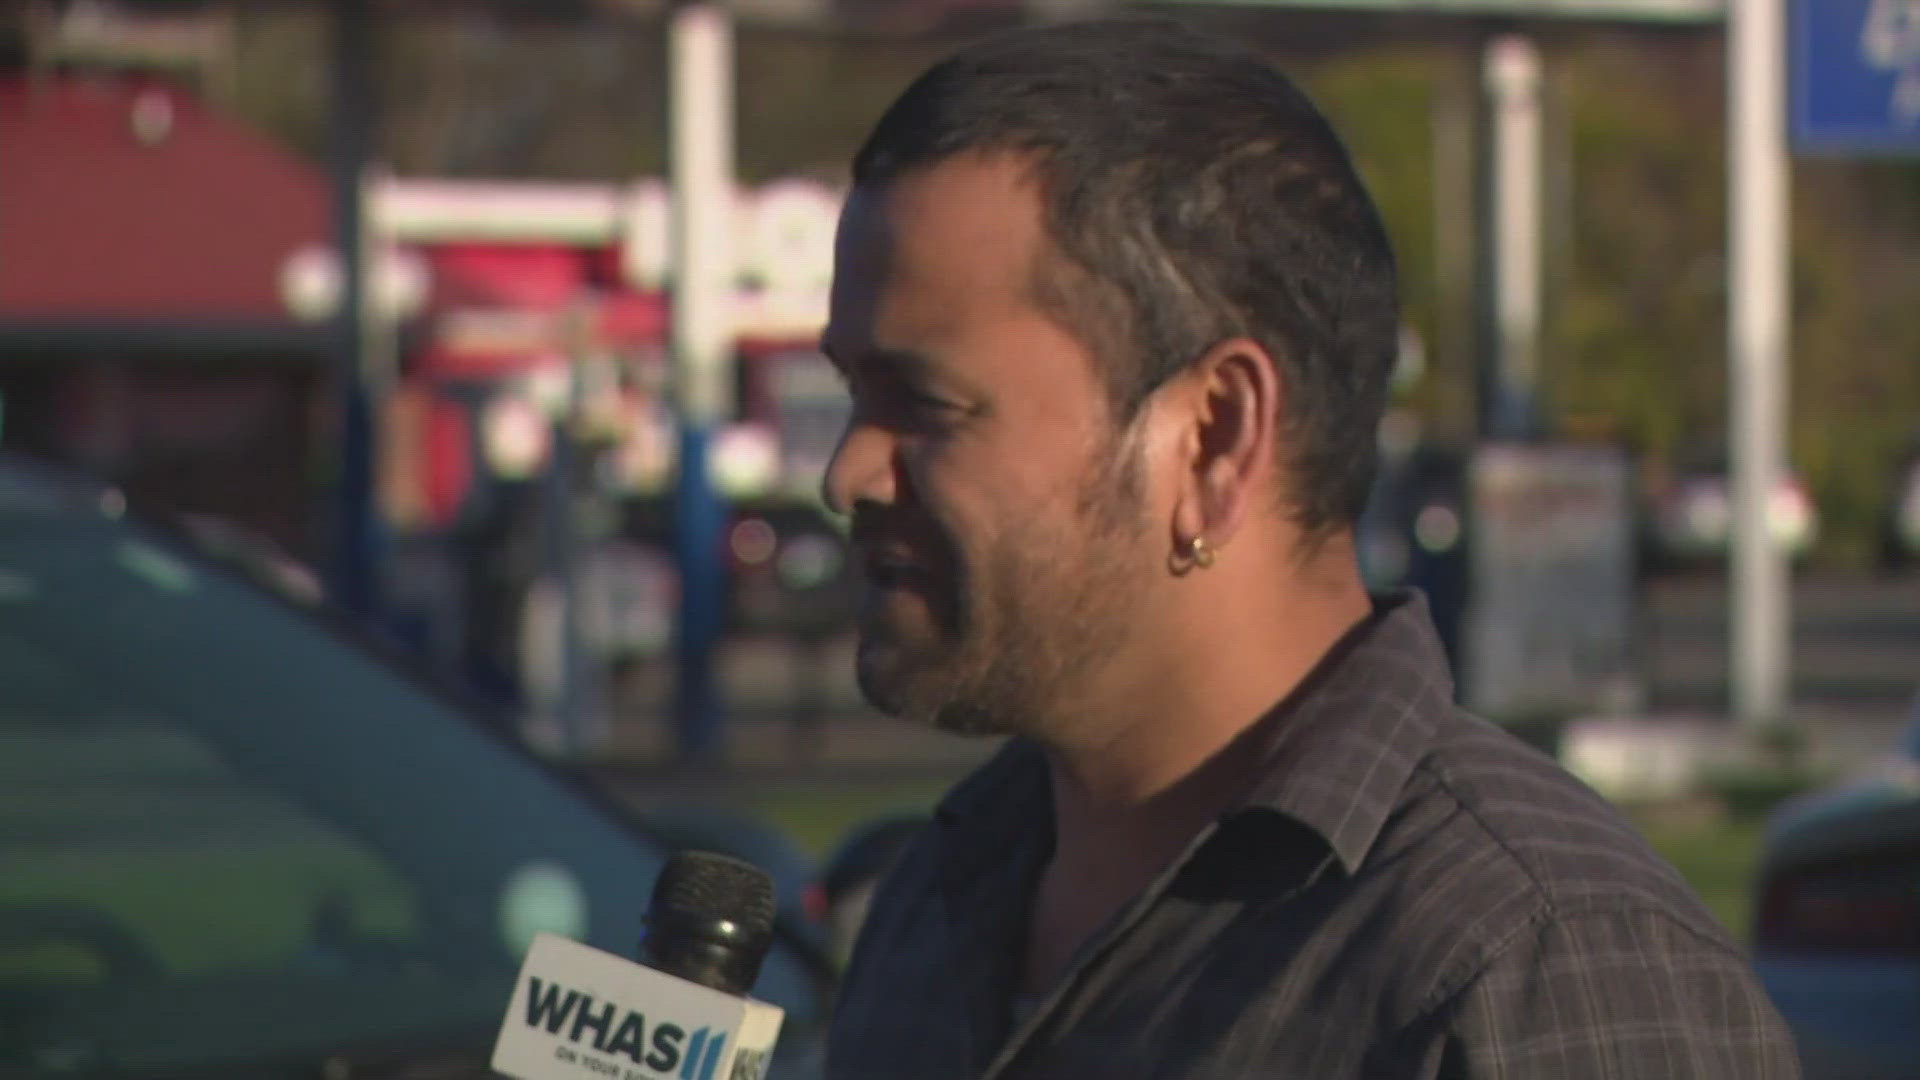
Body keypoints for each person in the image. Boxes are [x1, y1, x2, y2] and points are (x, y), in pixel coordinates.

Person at [816, 18, 1798, 1079]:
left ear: (1214, 436)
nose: (848, 473)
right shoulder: (945, 895)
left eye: (923, 403)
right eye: (850, 394)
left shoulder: (1535, 964)